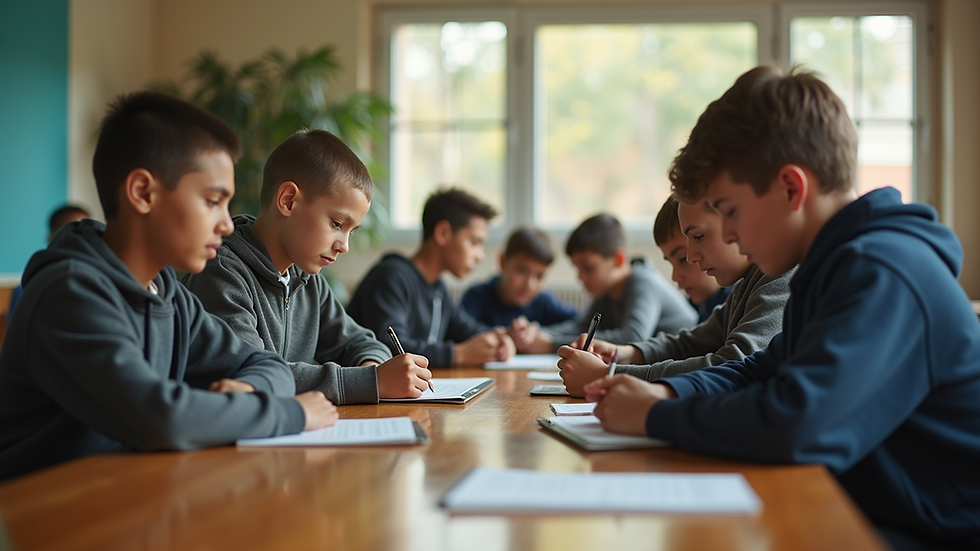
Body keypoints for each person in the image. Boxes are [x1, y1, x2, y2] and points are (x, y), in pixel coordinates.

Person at [585, 66, 980, 550]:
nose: (727, 234)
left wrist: (654, 418)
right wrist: (666, 393)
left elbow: (799, 425)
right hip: (867, 506)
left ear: (792, 189)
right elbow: (759, 371)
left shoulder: (883, 270)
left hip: (929, 532)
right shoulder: (830, 267)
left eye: (730, 210)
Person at [0, 91, 337, 481]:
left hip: (124, 499)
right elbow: (163, 418)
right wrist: (293, 413)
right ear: (143, 192)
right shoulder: (69, 294)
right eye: (212, 201)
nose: (228, 225)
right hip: (39, 517)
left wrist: (249, 393)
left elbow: (265, 364)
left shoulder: (167, 293)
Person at [183, 129, 431, 404]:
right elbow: (250, 375)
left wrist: (371, 368)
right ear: (288, 200)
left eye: (351, 231)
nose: (344, 245)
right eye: (337, 224)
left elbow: (361, 342)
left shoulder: (307, 280)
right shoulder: (222, 272)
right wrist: (370, 381)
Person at [557, 196, 792, 397]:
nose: (691, 257)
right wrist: (626, 353)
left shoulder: (780, 274)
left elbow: (732, 366)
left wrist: (609, 375)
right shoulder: (746, 285)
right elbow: (691, 343)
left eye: (698, 237)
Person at [347, 188, 516, 366]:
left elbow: (468, 330)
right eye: (474, 243)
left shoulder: (438, 288)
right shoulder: (391, 277)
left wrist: (501, 340)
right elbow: (389, 346)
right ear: (443, 233)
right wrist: (458, 354)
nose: (480, 256)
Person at [534, 214, 698, 351]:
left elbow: (633, 337)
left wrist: (549, 344)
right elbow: (580, 327)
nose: (580, 277)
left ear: (618, 260)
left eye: (588, 268)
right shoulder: (605, 293)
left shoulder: (643, 281)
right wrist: (536, 335)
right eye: (577, 269)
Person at [461, 226, 578, 327]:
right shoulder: (477, 297)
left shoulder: (544, 302)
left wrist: (540, 335)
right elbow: (459, 333)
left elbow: (579, 323)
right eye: (522, 271)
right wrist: (507, 335)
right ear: (503, 262)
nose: (529, 285)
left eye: (539, 276)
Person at [652, 195, 730, 322]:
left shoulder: (743, 302)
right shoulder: (697, 308)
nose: (675, 276)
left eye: (682, 259)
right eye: (671, 264)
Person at [8, 204, 91, 314]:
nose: (79, 240)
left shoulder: (102, 283)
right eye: (69, 233)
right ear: (50, 238)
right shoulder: (26, 290)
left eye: (86, 233)